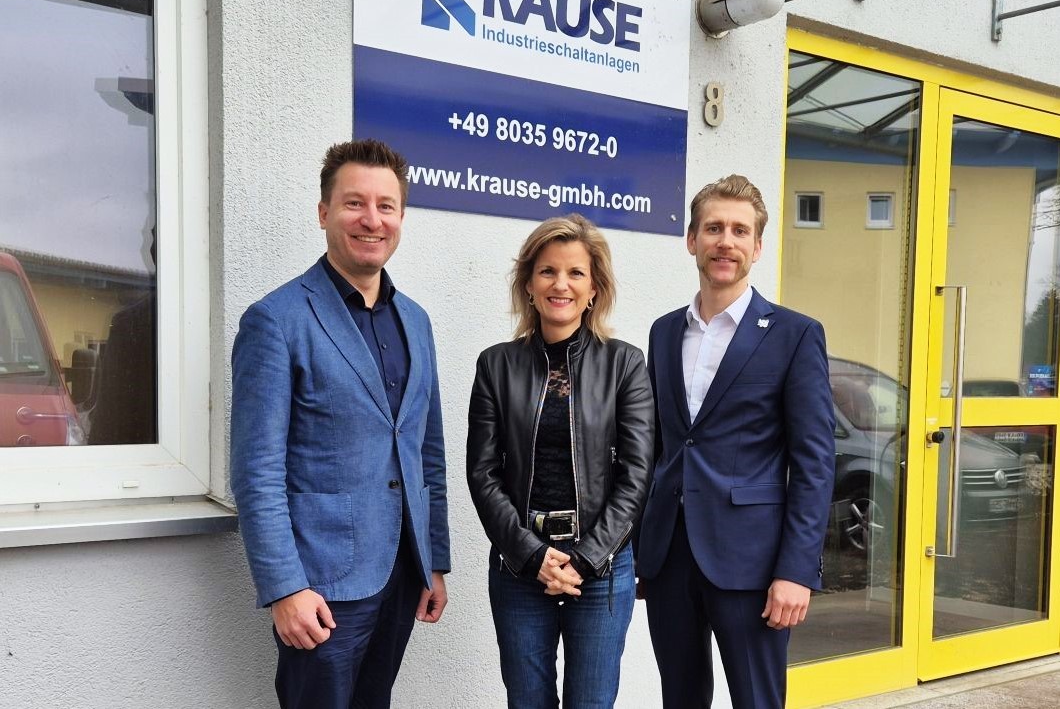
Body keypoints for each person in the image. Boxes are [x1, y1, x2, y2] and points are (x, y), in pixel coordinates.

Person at [230, 139, 451, 709]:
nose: (372, 219)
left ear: (401, 218)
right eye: (355, 203)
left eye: (386, 206)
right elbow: (256, 471)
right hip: (321, 587)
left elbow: (427, 452)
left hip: (402, 573)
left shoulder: (416, 321)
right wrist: (285, 588)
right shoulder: (275, 321)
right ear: (324, 212)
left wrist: (434, 561)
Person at [637, 175, 835, 709]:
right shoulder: (663, 332)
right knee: (680, 699)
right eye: (714, 228)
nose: (726, 241)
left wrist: (796, 570)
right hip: (669, 557)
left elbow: (814, 463)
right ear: (692, 240)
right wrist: (640, 550)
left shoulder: (795, 334)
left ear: (757, 247)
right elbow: (657, 448)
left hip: (753, 564)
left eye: (740, 231)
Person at [467, 213, 655, 709]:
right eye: (548, 271)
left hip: (602, 566)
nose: (561, 284)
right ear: (529, 284)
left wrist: (586, 558)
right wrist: (532, 556)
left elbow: (637, 474)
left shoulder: (625, 364)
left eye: (576, 273)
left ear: (594, 288)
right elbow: (482, 473)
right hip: (519, 565)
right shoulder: (495, 365)